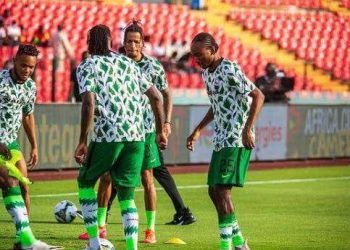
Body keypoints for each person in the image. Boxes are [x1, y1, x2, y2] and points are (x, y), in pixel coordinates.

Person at [74, 24, 167, 250]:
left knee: (86, 181)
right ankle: (131, 246)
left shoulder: (88, 64)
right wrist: (160, 129)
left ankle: (95, 242)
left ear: (89, 42)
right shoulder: (127, 62)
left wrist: (83, 141)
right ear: (110, 41)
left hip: (109, 133)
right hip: (137, 136)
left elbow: (88, 102)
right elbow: (156, 96)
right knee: (127, 193)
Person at [187, 33, 264, 250]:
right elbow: (216, 104)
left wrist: (248, 129)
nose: (197, 60)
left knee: (221, 190)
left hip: (236, 137)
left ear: (213, 50)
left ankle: (226, 246)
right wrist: (197, 130)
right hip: (221, 138)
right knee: (213, 190)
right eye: (194, 56)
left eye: (200, 55)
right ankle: (239, 242)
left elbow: (258, 95)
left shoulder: (229, 68)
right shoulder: (207, 74)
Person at [0, 44, 62, 250]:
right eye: (24, 65)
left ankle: (22, 237)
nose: (27, 70)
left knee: (24, 185)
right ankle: (27, 240)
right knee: (11, 182)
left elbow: (27, 116)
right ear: (15, 60)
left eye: (32, 67)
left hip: (11, 144)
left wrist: (34, 146)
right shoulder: (1, 81)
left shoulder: (30, 86)